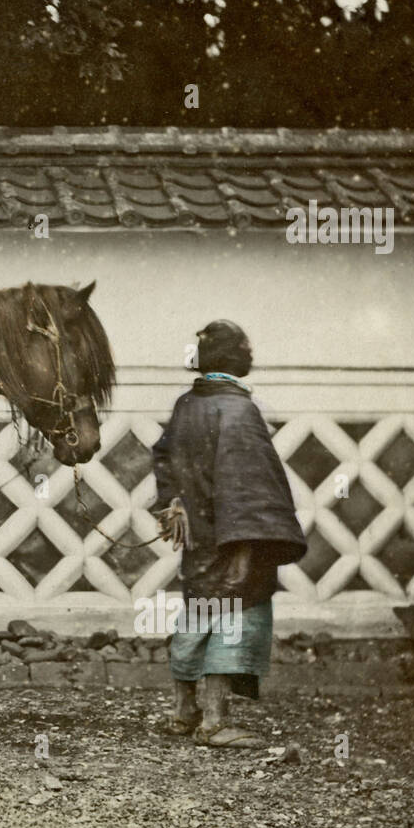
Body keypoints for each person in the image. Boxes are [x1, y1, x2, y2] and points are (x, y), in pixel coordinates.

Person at [151, 320, 307, 748]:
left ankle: (184, 712)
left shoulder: (187, 404)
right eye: (245, 345)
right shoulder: (238, 410)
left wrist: (173, 505)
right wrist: (247, 543)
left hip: (198, 538)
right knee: (235, 615)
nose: (251, 351)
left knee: (197, 613)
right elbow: (249, 482)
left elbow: (164, 458)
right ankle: (216, 721)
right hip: (236, 537)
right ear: (232, 356)